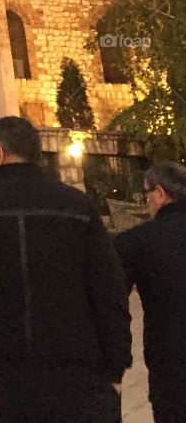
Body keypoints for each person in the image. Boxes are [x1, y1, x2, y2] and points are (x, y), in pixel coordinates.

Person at [0, 115, 131, 423]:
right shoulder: (76, 206)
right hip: (78, 359)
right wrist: (116, 360)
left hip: (9, 364)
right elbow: (109, 289)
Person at [114, 160, 186, 423]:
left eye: (146, 194)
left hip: (170, 361)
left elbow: (113, 301)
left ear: (160, 193)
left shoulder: (137, 241)